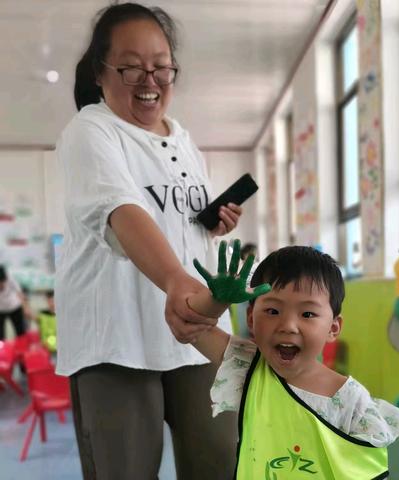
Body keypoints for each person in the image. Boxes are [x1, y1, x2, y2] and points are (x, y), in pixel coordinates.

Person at [55, 3, 242, 479]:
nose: (150, 79)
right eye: (131, 66)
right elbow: (122, 211)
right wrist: (176, 278)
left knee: (220, 462)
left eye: (161, 67)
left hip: (197, 329)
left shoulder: (184, 140)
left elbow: (177, 222)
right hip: (118, 338)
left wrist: (211, 223)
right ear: (100, 72)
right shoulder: (90, 130)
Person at [189, 240, 399, 479]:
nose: (288, 326)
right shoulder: (247, 366)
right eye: (273, 311)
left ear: (333, 328)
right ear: (251, 318)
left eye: (307, 314)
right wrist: (216, 301)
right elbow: (191, 327)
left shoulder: (352, 403)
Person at [0, 265, 27, 341]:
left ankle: (21, 348)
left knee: (20, 331)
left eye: (2, 282)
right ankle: (2, 350)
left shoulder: (11, 279)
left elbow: (20, 294)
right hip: (1, 310)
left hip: (15, 307)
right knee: (0, 335)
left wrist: (25, 308)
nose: (1, 285)